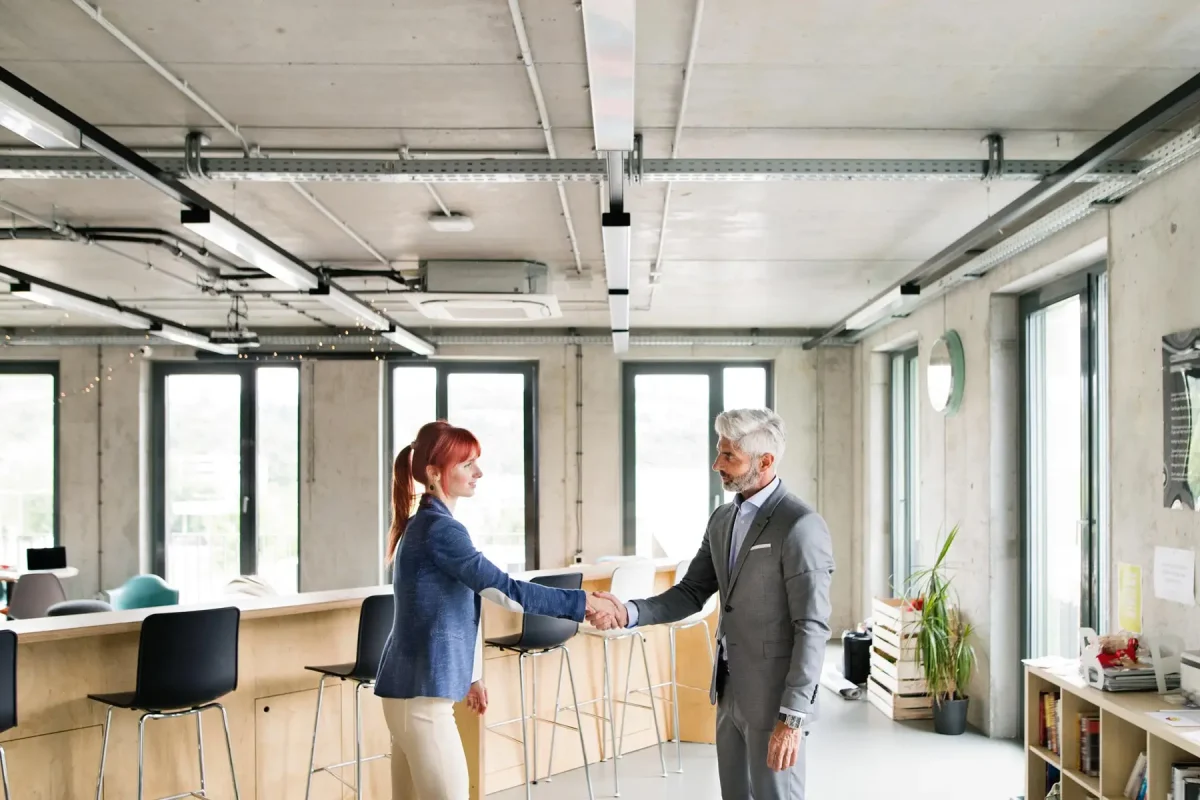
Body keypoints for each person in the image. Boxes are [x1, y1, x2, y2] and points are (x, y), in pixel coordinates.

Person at [589, 408, 834, 800]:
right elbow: (690, 592)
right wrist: (628, 611)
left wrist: (792, 717)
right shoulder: (723, 519)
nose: (716, 465)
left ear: (765, 461)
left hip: (775, 701)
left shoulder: (800, 525)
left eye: (729, 457)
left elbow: (813, 626)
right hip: (728, 689)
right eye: (719, 453)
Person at [374, 419, 618, 800]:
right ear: (434, 473)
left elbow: (451, 606)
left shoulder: (429, 524)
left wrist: (471, 675)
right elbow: (503, 590)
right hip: (421, 700)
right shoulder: (441, 530)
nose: (479, 472)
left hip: (414, 695)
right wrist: (582, 602)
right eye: (467, 464)